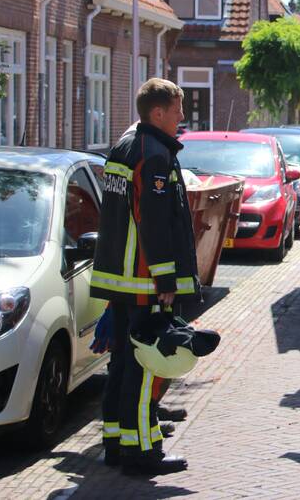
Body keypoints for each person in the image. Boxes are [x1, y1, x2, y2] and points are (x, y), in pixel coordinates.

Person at [93, 78, 200, 476]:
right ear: (158, 113)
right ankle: (141, 453)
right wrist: (166, 281)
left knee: (121, 364)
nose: (181, 117)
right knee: (142, 368)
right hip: (144, 282)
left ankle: (115, 442)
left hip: (121, 281)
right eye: (177, 110)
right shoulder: (154, 156)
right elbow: (154, 223)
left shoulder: (125, 147)